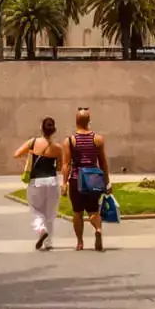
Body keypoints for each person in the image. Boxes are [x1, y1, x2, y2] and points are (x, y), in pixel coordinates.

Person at [15, 117, 66, 251]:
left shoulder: (33, 142)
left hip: (36, 181)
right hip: (52, 181)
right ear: (54, 130)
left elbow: (17, 154)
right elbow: (59, 167)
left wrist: (28, 161)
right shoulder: (58, 148)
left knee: (36, 210)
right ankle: (48, 243)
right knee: (50, 213)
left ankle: (41, 230)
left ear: (41, 128)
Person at [66, 107, 110, 252]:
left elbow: (66, 164)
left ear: (76, 121)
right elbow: (103, 162)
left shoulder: (70, 141)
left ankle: (79, 242)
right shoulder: (97, 139)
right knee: (93, 210)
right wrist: (107, 181)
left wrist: (63, 183)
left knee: (77, 212)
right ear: (89, 121)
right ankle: (97, 229)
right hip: (94, 178)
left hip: (76, 178)